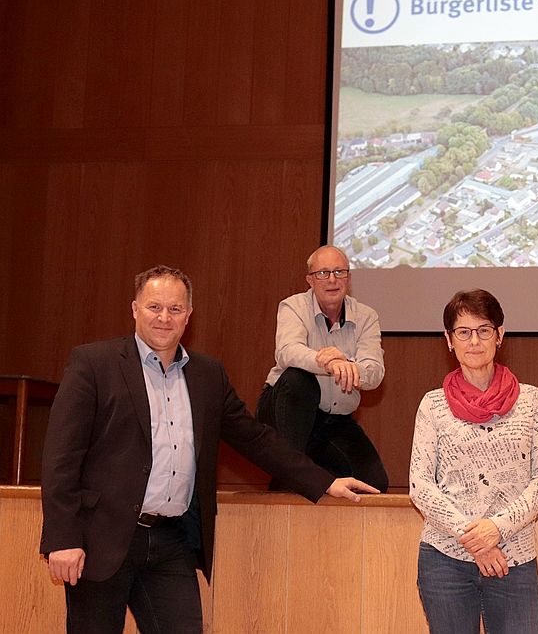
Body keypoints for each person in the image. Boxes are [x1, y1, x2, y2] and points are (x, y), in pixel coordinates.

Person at [40, 265, 379, 634]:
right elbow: (61, 457)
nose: (164, 318)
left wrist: (324, 481)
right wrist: (63, 539)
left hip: (172, 543)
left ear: (188, 315)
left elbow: (255, 438)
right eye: (154, 307)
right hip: (100, 542)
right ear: (135, 309)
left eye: (175, 309)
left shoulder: (207, 375)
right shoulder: (94, 364)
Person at [409, 289, 538, 634]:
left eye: (484, 330)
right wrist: (475, 540)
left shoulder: (531, 400)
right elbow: (420, 486)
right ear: (449, 340)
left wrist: (497, 529)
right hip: (445, 560)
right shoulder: (433, 406)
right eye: (463, 331)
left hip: (514, 559)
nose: (474, 341)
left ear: (500, 335)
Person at [256, 245, 388, 491]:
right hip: (284, 409)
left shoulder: (366, 316)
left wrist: (349, 365)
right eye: (323, 273)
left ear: (348, 278)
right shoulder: (293, 306)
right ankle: (289, 476)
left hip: (333, 420)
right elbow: (287, 351)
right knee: (298, 379)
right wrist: (329, 362)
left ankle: (307, 473)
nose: (332, 280)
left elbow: (374, 373)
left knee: (374, 483)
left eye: (339, 272)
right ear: (310, 280)